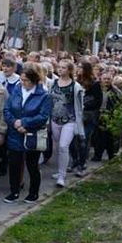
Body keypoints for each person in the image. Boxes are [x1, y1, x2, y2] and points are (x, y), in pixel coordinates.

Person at [3, 62, 51, 204]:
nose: (23, 83)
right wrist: (14, 123)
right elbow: (7, 110)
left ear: (34, 81)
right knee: (14, 164)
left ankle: (33, 192)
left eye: (26, 81)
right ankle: (14, 191)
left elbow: (43, 116)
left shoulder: (43, 96)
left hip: (32, 135)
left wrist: (25, 123)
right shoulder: (17, 90)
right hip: (15, 133)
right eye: (21, 80)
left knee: (32, 165)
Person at [49, 60, 84, 188]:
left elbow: (80, 106)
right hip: (54, 119)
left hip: (70, 120)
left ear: (69, 70)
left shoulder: (75, 86)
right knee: (57, 147)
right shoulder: (52, 83)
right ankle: (59, 170)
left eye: (63, 68)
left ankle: (61, 176)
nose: (60, 69)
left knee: (64, 146)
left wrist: (79, 123)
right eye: (59, 67)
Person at [74, 61, 102, 176]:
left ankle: (82, 164)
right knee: (73, 140)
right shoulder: (76, 81)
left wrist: (85, 103)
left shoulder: (94, 84)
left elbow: (97, 101)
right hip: (76, 114)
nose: (78, 68)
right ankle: (75, 160)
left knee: (83, 140)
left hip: (88, 116)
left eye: (80, 67)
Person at [93, 72, 120, 162]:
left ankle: (111, 155)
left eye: (108, 79)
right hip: (98, 115)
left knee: (110, 137)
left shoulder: (115, 91)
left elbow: (119, 104)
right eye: (105, 79)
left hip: (109, 116)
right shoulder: (96, 89)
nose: (106, 81)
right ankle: (97, 155)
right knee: (98, 137)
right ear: (101, 79)